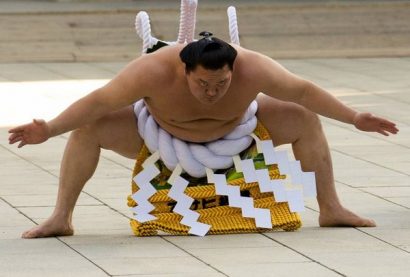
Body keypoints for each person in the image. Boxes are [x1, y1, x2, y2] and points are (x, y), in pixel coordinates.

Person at [8, 33, 398, 239]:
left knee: (303, 116)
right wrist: (50, 129)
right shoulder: (152, 71)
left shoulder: (254, 67)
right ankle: (61, 217)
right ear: (184, 70)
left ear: (234, 68)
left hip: (239, 136)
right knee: (89, 127)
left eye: (222, 83)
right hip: (159, 138)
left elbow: (304, 90)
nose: (212, 92)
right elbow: (99, 100)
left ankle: (331, 208)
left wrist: (354, 116)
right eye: (203, 85)